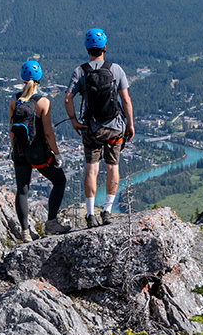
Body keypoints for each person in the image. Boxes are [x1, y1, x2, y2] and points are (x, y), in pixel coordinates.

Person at [63, 28, 134, 228]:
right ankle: (107, 211)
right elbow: (126, 100)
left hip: (91, 129)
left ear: (87, 49)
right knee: (113, 167)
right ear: (104, 47)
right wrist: (130, 124)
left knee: (91, 169)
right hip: (115, 127)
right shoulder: (115, 69)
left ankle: (89, 214)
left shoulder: (80, 71)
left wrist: (74, 120)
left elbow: (67, 98)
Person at [9, 60, 70, 238]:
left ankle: (25, 232)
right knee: (59, 181)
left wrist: (14, 149)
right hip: (37, 153)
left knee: (22, 189)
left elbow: (11, 129)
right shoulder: (43, 102)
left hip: (19, 151)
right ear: (39, 79)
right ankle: (51, 223)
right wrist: (57, 154)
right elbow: (49, 133)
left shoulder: (14, 100)